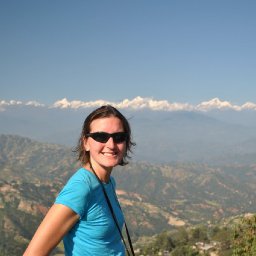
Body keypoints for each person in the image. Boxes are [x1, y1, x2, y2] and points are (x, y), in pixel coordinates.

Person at [23, 105, 136, 256]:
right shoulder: (81, 188)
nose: (111, 144)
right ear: (86, 142)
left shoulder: (107, 182)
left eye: (119, 137)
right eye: (101, 137)